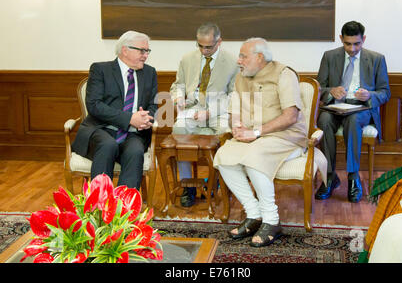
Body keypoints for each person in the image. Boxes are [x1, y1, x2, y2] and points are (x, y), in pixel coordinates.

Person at [213, 38, 310, 247]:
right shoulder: (242, 76)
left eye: (243, 56)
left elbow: (291, 116)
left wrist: (255, 133)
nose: (238, 60)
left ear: (259, 57)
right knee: (223, 156)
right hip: (253, 135)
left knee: (254, 157)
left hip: (286, 136)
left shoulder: (284, 74)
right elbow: (234, 109)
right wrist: (237, 125)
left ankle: (271, 220)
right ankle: (254, 214)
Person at [315, 21, 391, 203]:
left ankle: (353, 178)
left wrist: (369, 95)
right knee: (323, 120)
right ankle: (329, 178)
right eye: (347, 44)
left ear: (363, 39)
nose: (352, 48)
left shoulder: (376, 59)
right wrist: (331, 90)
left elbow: (385, 92)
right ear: (341, 39)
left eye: (357, 43)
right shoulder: (329, 56)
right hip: (335, 106)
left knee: (354, 120)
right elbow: (319, 87)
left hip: (361, 108)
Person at [71, 30, 157, 190]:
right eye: (142, 50)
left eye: (147, 51)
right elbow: (94, 105)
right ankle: (100, 206)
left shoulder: (149, 73)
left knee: (135, 150)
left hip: (133, 133)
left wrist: (146, 119)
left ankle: (125, 209)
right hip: (100, 129)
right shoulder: (100, 70)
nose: (146, 55)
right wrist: (129, 118)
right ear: (125, 50)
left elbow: (153, 105)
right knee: (108, 145)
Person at [169, 22, 239, 207]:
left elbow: (234, 95)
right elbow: (178, 85)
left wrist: (210, 113)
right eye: (200, 45)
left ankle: (218, 182)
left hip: (219, 110)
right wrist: (178, 99)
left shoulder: (233, 62)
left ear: (219, 42)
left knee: (226, 132)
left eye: (208, 46)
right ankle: (188, 186)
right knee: (178, 128)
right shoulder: (187, 59)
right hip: (193, 108)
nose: (204, 50)